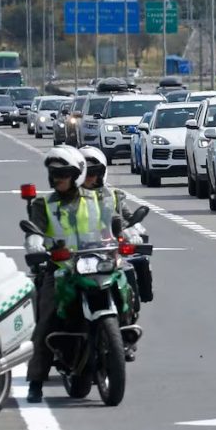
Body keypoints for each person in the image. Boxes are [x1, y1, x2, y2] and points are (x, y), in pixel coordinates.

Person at [24, 146, 112, 403]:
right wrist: (34, 242)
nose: (58, 178)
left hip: (95, 262)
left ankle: (121, 338)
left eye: (63, 173)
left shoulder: (96, 199)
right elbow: (35, 229)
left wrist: (127, 232)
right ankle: (36, 381)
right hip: (60, 268)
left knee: (122, 285)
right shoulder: (43, 204)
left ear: (76, 174)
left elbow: (112, 223)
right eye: (54, 174)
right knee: (46, 319)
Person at [78, 146, 144, 362]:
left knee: (129, 273)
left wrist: (133, 231)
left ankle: (127, 329)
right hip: (74, 258)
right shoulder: (67, 198)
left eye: (94, 172)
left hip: (106, 255)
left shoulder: (113, 196)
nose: (90, 177)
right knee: (52, 292)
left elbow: (128, 219)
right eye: (85, 172)